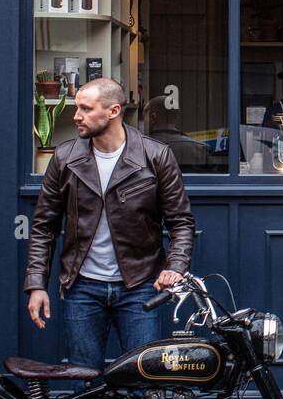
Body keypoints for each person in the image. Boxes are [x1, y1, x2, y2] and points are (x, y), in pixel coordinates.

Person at [24, 77, 195, 369]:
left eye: (86, 109)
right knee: (83, 382)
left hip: (139, 285)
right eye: (77, 108)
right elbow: (44, 226)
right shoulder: (65, 158)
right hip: (82, 287)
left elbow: (180, 222)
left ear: (113, 111)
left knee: (144, 380)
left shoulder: (155, 156)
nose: (76, 116)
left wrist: (175, 268)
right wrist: (37, 284)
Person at [146, 94, 210, 172]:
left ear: (153, 117)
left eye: (144, 117)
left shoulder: (140, 148)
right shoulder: (200, 149)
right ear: (177, 117)